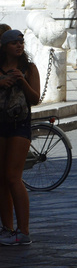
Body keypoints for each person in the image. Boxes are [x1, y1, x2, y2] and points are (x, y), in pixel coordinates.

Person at [0, 29, 41, 246]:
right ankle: (6, 228)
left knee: (13, 177)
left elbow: (35, 99)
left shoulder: (29, 68)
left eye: (21, 42)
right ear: (4, 47)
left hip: (20, 125)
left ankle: (23, 231)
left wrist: (21, 81)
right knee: (1, 179)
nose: (19, 45)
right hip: (0, 125)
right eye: (14, 42)